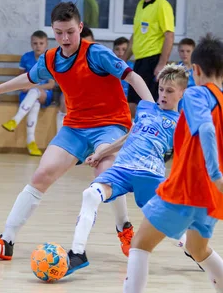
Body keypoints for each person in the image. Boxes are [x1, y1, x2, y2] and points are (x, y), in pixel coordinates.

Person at [96, 34, 223, 293]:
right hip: (215, 198)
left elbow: (207, 129)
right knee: (198, 249)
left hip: (187, 189)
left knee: (140, 244)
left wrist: (212, 175)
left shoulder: (197, 96)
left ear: (195, 70)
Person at [0, 2, 154, 261]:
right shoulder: (51, 58)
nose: (65, 38)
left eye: (70, 31)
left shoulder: (97, 54)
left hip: (110, 124)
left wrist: (152, 112)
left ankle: (123, 228)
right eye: (59, 33)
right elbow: (28, 79)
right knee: (43, 173)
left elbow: (133, 78)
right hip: (75, 127)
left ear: (80, 27)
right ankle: (6, 240)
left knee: (106, 173)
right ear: (53, 31)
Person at [66, 64, 186, 276]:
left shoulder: (181, 123)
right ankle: (77, 254)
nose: (163, 95)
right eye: (161, 89)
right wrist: (101, 154)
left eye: (170, 91)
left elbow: (187, 155)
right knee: (90, 194)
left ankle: (195, 249)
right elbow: (131, 135)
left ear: (181, 93)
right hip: (121, 169)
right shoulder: (146, 108)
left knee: (171, 220)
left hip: (150, 175)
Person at [124, 0, 175, 117]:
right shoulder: (140, 5)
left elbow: (169, 35)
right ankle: (132, 137)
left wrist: (162, 63)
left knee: (148, 105)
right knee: (132, 103)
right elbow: (136, 35)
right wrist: (122, 60)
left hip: (153, 61)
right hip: (139, 62)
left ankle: (149, 138)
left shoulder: (162, 6)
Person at [2, 30, 55, 156]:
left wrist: (33, 86)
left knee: (35, 91)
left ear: (46, 44)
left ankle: (15, 119)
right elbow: (20, 79)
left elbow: (51, 84)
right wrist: (23, 86)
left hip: (45, 94)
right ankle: (31, 143)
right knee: (34, 103)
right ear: (31, 44)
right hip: (28, 95)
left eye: (41, 43)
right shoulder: (26, 57)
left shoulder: (50, 59)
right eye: (35, 43)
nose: (38, 46)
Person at [56, 25, 95, 133]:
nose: (88, 47)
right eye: (85, 44)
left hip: (95, 95)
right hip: (74, 92)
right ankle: (60, 138)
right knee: (65, 100)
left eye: (90, 43)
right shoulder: (67, 57)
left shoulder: (99, 56)